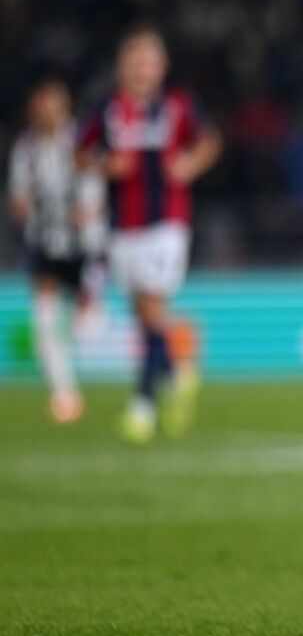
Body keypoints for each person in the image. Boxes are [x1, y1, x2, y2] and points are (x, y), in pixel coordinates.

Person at [78, 24, 222, 444]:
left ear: (162, 67)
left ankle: (142, 404)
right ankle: (176, 371)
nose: (142, 68)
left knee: (153, 305)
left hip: (167, 224)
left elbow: (210, 140)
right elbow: (80, 152)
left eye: (150, 61)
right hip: (122, 226)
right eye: (135, 60)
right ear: (123, 65)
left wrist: (189, 165)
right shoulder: (106, 108)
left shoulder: (177, 105)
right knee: (145, 314)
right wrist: (106, 166)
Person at [7, 78, 105, 423]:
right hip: (45, 244)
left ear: (65, 106)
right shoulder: (25, 149)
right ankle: (64, 394)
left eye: (55, 103)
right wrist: (21, 205)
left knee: (88, 322)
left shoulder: (83, 140)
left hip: (85, 246)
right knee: (45, 321)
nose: (48, 111)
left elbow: (101, 180)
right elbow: (18, 194)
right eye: (42, 104)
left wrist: (92, 208)